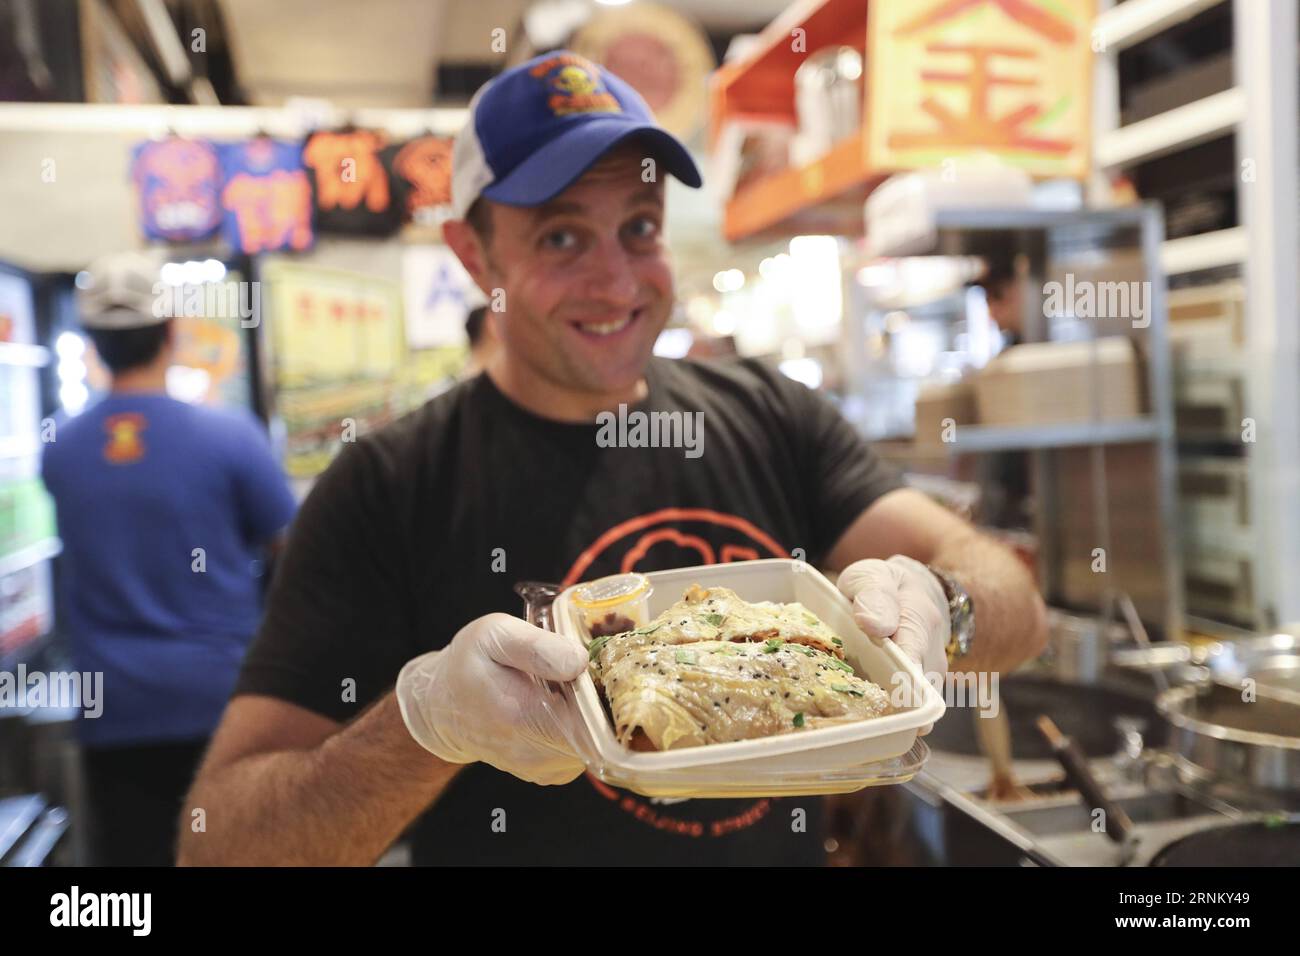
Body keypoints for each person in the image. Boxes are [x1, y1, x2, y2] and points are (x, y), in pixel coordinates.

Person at [180, 52, 1046, 867]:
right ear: (474, 255)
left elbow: (1018, 604)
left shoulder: (769, 416)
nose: (618, 281)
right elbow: (217, 844)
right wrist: (426, 727)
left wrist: (945, 605)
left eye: (640, 227)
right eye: (561, 238)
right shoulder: (390, 486)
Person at [41, 251, 297, 865]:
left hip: (114, 708)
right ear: (171, 332)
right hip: (224, 700)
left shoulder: (60, 448)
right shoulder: (231, 436)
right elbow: (294, 551)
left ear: (94, 345)